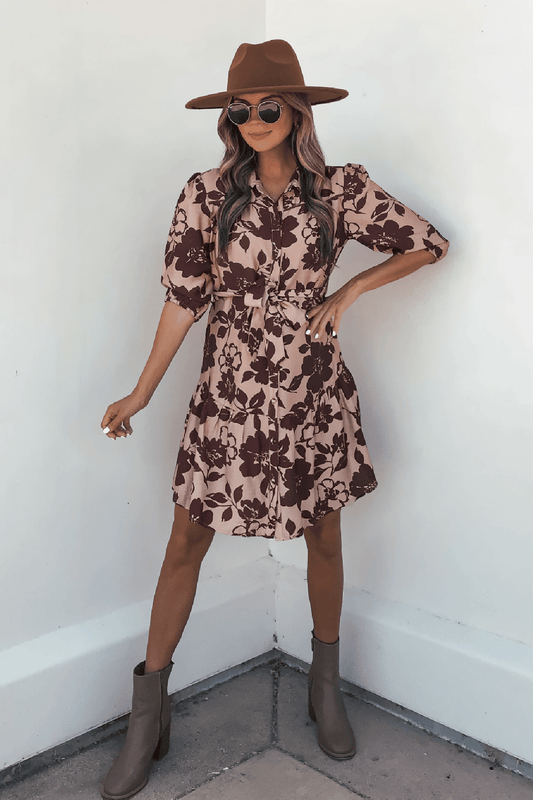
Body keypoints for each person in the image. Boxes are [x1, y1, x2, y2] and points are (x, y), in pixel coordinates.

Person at [99, 39, 449, 799]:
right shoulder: (203, 192)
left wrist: (349, 291)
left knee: (323, 527)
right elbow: (182, 298)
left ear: (295, 111)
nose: (251, 119)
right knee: (186, 535)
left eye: (265, 106)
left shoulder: (339, 190)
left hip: (311, 393)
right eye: (239, 109)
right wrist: (141, 391)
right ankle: (147, 716)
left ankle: (324, 689)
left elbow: (427, 244)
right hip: (227, 395)